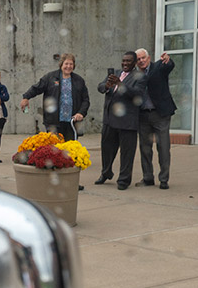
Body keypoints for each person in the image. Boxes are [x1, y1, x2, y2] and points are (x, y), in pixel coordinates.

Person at [95, 52, 146, 190]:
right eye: (123, 61)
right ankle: (105, 173)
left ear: (134, 63)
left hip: (127, 122)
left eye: (128, 61)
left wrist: (120, 84)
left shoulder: (140, 77)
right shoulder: (115, 72)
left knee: (126, 153)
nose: (125, 63)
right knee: (106, 149)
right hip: (109, 120)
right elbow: (100, 87)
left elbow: (138, 95)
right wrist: (107, 85)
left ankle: (123, 180)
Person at [19, 53, 90, 141]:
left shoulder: (79, 80)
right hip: (53, 122)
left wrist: (81, 113)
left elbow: (85, 100)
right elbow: (37, 88)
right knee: (55, 150)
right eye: (66, 64)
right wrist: (26, 97)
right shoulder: (50, 77)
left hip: (72, 122)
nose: (68, 66)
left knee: (70, 150)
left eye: (71, 64)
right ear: (61, 64)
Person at [135, 48, 177, 189]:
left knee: (163, 147)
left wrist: (168, 60)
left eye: (143, 58)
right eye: (138, 59)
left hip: (160, 114)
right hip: (143, 115)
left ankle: (164, 179)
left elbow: (169, 66)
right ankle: (148, 177)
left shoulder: (159, 67)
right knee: (145, 148)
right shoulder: (135, 75)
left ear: (149, 57)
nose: (141, 61)